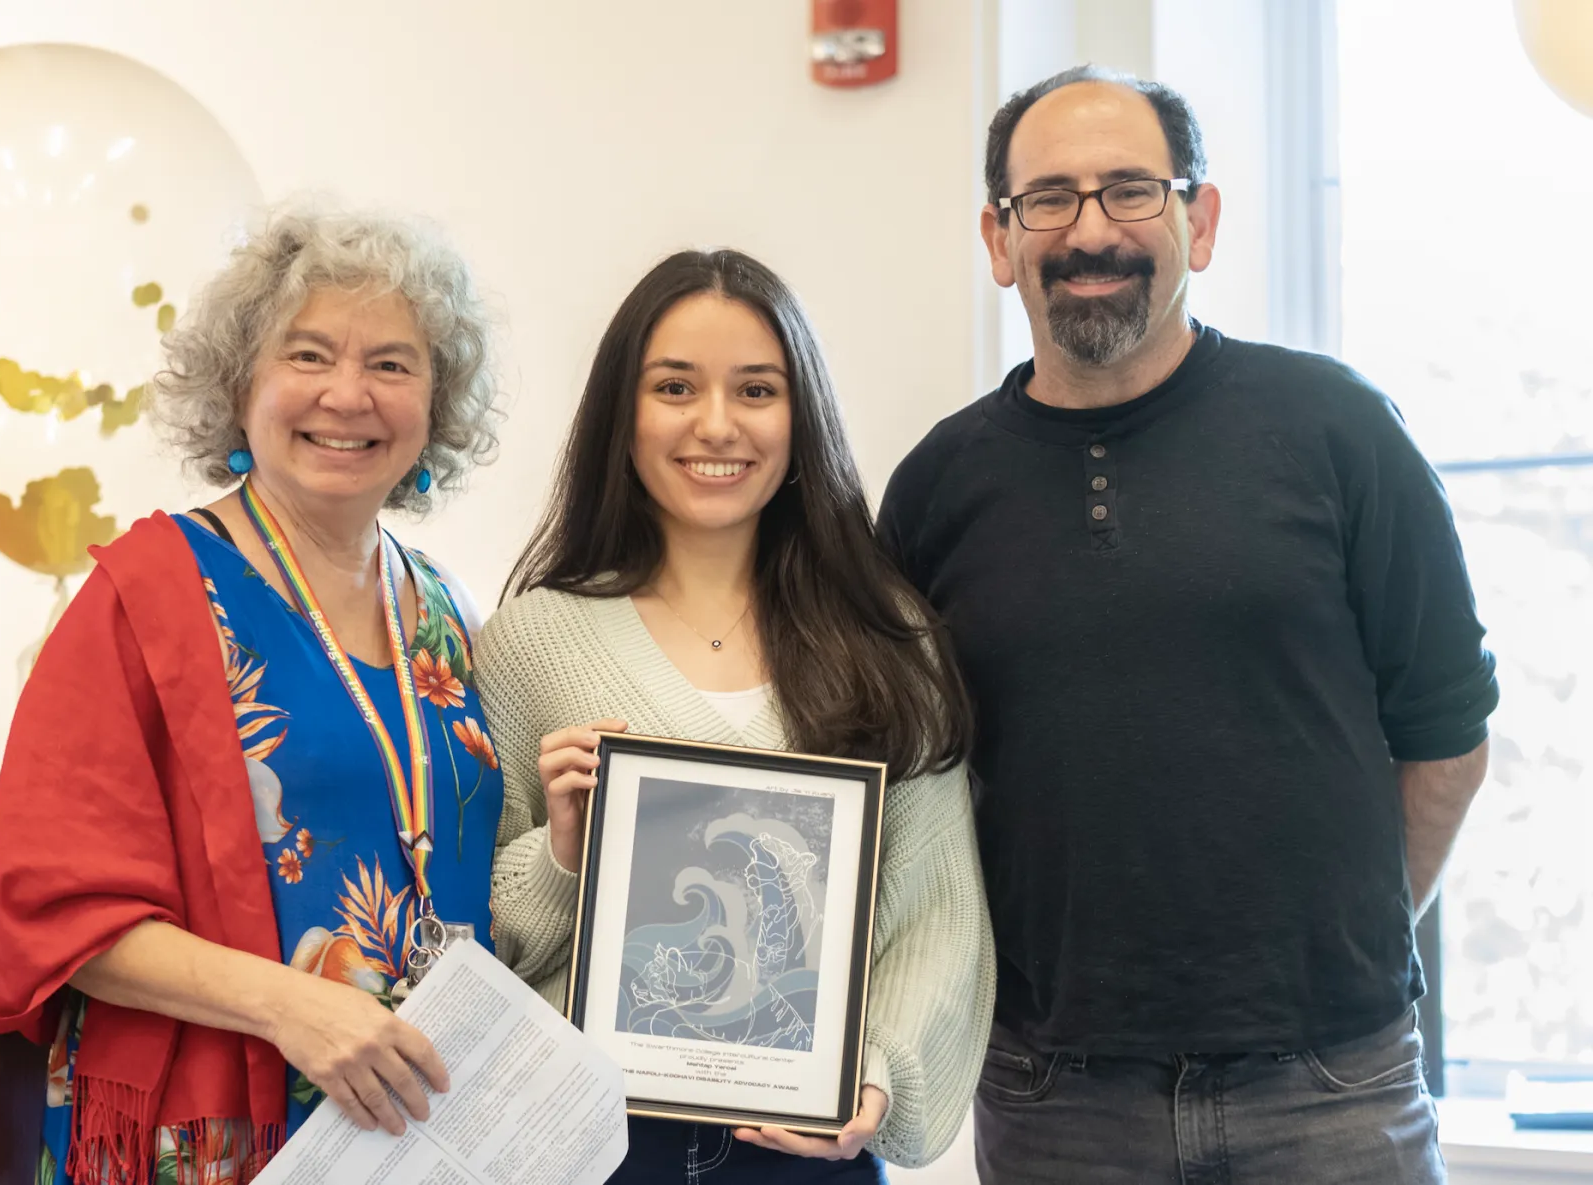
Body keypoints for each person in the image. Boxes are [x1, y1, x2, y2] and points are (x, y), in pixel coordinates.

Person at [877, 66, 1499, 1183]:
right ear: (999, 237)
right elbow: (904, 792)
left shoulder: (1339, 432)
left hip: (1332, 1089)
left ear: (1198, 221)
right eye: (1050, 199)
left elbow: (1447, 740)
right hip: (1051, 1095)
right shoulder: (934, 490)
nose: (1091, 230)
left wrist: (1331, 950)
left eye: (1131, 191)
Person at [0, 207, 505, 1184]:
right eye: (309, 354)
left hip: (419, 1134)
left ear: (435, 402)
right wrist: (293, 1006)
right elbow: (47, 912)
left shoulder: (446, 611)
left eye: (392, 363)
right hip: (215, 1139)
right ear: (240, 384)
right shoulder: (146, 594)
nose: (348, 394)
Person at [478, 248, 997, 1183]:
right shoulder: (532, 641)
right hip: (584, 1152)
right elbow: (474, 939)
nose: (716, 423)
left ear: (802, 420)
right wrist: (562, 851)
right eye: (674, 385)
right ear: (621, 416)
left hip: (808, 1159)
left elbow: (936, 916)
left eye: (757, 389)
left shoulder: (888, 638)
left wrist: (873, 1080)